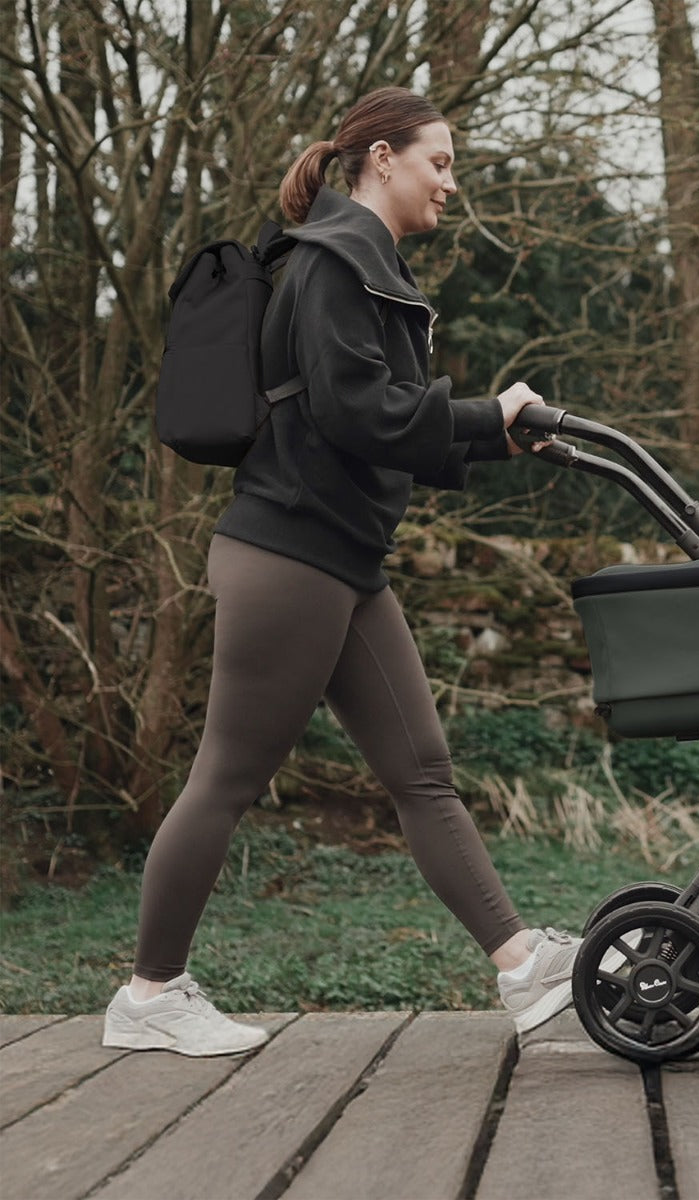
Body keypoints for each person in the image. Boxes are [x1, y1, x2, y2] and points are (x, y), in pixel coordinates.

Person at [103, 87, 593, 1057]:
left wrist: (492, 436)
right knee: (228, 777)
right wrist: (485, 414)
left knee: (422, 772)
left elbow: (376, 418)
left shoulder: (364, 262)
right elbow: (357, 411)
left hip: (341, 558)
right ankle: (149, 994)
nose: (450, 183)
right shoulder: (333, 261)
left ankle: (522, 966)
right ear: (380, 159)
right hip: (289, 555)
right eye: (438, 163)